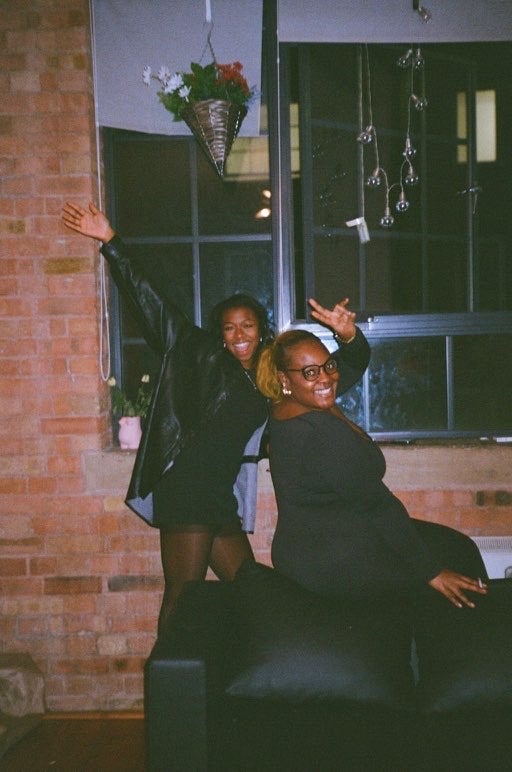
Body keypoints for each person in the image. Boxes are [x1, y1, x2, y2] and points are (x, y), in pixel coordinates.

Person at [62, 201, 274, 633]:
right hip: (187, 488)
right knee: (182, 591)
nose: (238, 335)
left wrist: (351, 343)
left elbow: (325, 378)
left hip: (218, 495)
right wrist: (111, 242)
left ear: (261, 329)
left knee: (249, 589)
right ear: (219, 334)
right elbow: (155, 305)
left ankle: (226, 670)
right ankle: (165, 677)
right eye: (229, 327)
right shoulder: (202, 354)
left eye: (247, 325)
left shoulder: (269, 376)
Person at [256, 303, 488, 609]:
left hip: (316, 546)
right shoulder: (322, 433)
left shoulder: (291, 403)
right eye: (310, 372)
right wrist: (431, 573)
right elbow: (378, 506)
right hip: (335, 561)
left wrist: (348, 335)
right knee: (455, 567)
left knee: (458, 547)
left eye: (329, 365)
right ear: (285, 379)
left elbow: (352, 362)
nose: (326, 378)